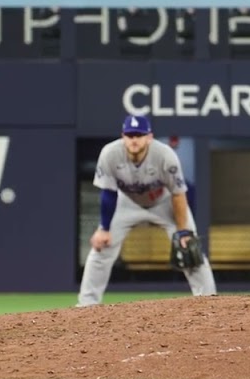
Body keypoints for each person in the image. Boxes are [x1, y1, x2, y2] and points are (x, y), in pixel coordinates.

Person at [76, 115, 218, 306]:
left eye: (139, 135)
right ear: (123, 136)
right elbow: (108, 193)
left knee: (189, 248)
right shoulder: (110, 153)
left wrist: (183, 230)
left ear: (149, 137)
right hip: (126, 202)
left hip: (164, 201)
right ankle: (86, 305)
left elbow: (178, 194)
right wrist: (104, 227)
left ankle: (210, 304)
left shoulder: (165, 155)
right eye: (130, 135)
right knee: (101, 248)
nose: (134, 139)